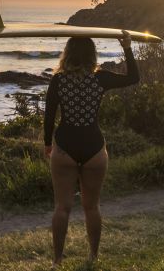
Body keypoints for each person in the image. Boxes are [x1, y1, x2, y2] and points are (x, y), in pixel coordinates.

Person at [43, 31, 139, 268]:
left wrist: (47, 144)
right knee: (92, 207)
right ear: (92, 54)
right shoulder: (101, 78)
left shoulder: (58, 80)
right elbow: (133, 77)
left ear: (68, 53)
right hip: (94, 149)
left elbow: (49, 116)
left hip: (65, 147)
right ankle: (93, 257)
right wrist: (127, 47)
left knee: (62, 207)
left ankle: (57, 261)